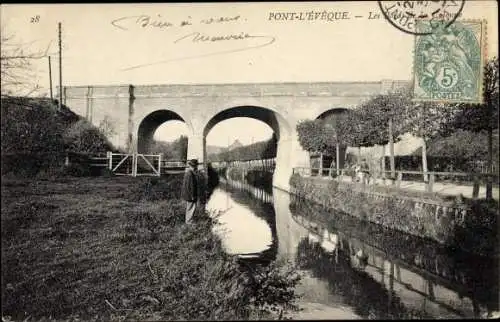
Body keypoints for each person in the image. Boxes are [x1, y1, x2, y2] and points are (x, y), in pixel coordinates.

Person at [182, 158, 199, 224]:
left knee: (189, 208)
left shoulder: (188, 173)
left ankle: (189, 221)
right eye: (195, 166)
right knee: (191, 208)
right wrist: (192, 196)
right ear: (193, 166)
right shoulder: (190, 174)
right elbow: (191, 186)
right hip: (190, 195)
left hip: (188, 194)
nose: (196, 167)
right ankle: (189, 222)